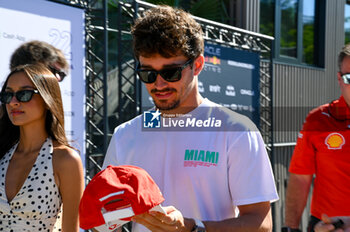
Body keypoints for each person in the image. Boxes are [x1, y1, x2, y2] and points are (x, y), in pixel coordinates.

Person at [102, 5, 278, 232]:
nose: (159, 84)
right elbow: (106, 222)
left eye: (171, 72)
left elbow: (261, 224)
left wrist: (195, 229)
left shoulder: (237, 130)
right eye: (148, 73)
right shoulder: (126, 134)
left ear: (197, 65)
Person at [0, 64, 84, 231]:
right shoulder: (2, 156)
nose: (14, 102)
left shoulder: (65, 160)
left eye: (24, 94)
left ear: (47, 99)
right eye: (8, 95)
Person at [283, 44, 350, 232]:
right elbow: (300, 177)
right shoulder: (318, 120)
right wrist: (290, 228)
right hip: (326, 227)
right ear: (339, 79)